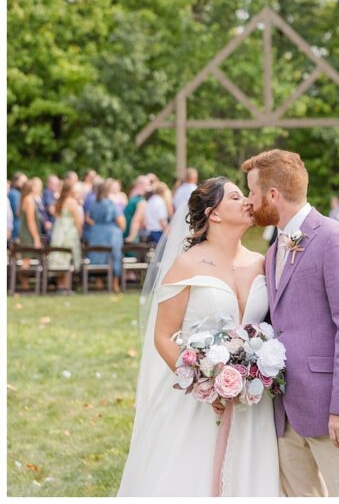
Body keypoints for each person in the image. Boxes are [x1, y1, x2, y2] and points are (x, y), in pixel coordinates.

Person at [242, 149, 339, 496]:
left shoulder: (336, 241)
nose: (249, 200)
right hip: (287, 410)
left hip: (335, 410)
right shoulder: (274, 250)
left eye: (252, 192)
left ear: (272, 195)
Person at [118, 177, 277, 496]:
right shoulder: (186, 265)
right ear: (213, 213)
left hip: (253, 401)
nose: (247, 200)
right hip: (194, 399)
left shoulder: (262, 264)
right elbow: (163, 336)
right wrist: (206, 386)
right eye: (235, 197)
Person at [88, 180, 126, 293]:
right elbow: (121, 221)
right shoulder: (110, 204)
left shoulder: (94, 204)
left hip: (96, 234)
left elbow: (89, 218)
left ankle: (98, 282)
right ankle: (115, 284)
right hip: (111, 234)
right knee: (115, 256)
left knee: (97, 256)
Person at [48, 181, 84, 293]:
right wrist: (80, 234)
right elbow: (78, 221)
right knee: (68, 258)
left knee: (60, 257)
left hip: (58, 232)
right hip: (68, 233)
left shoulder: (60, 201)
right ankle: (66, 286)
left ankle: (60, 286)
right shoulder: (72, 202)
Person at [18, 177, 44, 250]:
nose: (40, 189)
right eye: (38, 186)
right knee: (27, 258)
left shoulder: (29, 199)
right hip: (28, 234)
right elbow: (31, 222)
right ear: (32, 187)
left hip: (28, 233)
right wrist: (36, 238)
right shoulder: (29, 200)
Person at [8, 172, 26, 240]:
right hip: (16, 226)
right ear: (16, 181)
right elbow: (17, 212)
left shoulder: (17, 193)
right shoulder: (14, 193)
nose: (25, 184)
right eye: (23, 182)